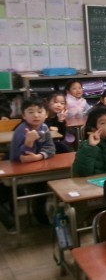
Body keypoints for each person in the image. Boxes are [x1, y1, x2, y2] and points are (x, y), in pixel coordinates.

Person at [8, 97, 55, 226]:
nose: (36, 115)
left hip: (39, 165)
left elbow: (51, 148)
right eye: (31, 112)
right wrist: (28, 142)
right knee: (39, 192)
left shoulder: (44, 127)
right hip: (21, 169)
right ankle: (41, 220)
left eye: (40, 111)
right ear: (23, 115)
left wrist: (39, 156)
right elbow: (22, 157)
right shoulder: (21, 130)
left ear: (46, 114)